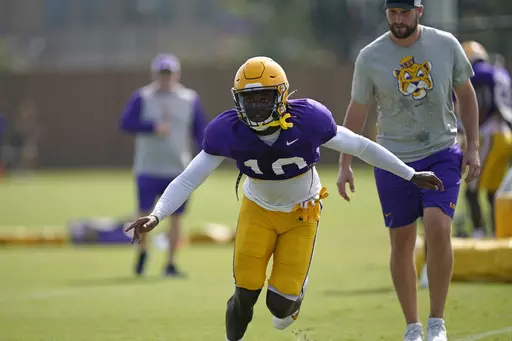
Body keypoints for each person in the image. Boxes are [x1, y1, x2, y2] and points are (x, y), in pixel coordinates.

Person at [124, 56, 443, 341]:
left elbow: (360, 146)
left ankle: (295, 295)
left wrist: (410, 174)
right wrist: (157, 215)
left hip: (301, 214)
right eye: (251, 99)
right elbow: (190, 177)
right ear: (238, 101)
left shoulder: (309, 119)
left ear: (283, 95)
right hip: (257, 211)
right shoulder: (227, 130)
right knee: (244, 296)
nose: (258, 106)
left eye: (265, 97)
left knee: (279, 307)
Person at [336, 1, 481, 340]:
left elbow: (467, 96)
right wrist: (344, 163)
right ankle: (413, 326)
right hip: (392, 159)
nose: (398, 20)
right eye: (392, 13)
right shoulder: (370, 57)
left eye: (404, 12)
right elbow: (356, 111)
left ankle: (436, 322)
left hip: (441, 152)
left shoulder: (446, 45)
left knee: (438, 227)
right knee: (402, 241)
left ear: (419, 11)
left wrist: (472, 146)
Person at [120, 53, 207, 277]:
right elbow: (126, 123)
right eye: (162, 73)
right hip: (147, 168)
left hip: (178, 170)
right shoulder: (143, 97)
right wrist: (152, 127)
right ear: (155, 74)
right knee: (143, 213)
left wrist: (208, 156)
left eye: (169, 73)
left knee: (176, 219)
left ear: (177, 75)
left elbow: (200, 131)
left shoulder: (189, 99)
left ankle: (170, 263)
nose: (166, 78)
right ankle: (142, 252)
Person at [454, 41, 512, 238]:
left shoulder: (476, 74)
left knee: (472, 189)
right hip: (506, 135)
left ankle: (479, 231)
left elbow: (463, 95)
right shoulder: (499, 72)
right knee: (493, 191)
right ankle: (497, 232)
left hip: (490, 135)